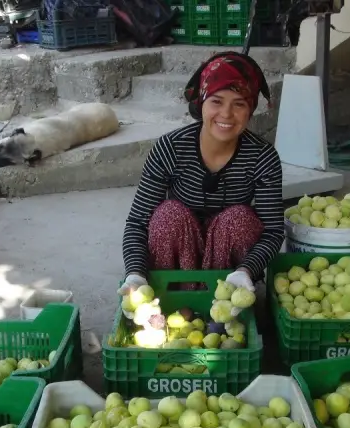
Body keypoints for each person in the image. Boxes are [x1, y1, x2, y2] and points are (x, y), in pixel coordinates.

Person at [118, 51, 284, 314]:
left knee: (240, 218)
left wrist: (247, 269)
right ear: (202, 102)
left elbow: (273, 231)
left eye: (239, 104)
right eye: (217, 101)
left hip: (228, 270)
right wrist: (135, 274)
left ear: (250, 109)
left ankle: (227, 304)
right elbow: (138, 222)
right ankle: (170, 301)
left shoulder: (262, 157)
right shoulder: (170, 148)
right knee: (167, 215)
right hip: (179, 254)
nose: (226, 114)